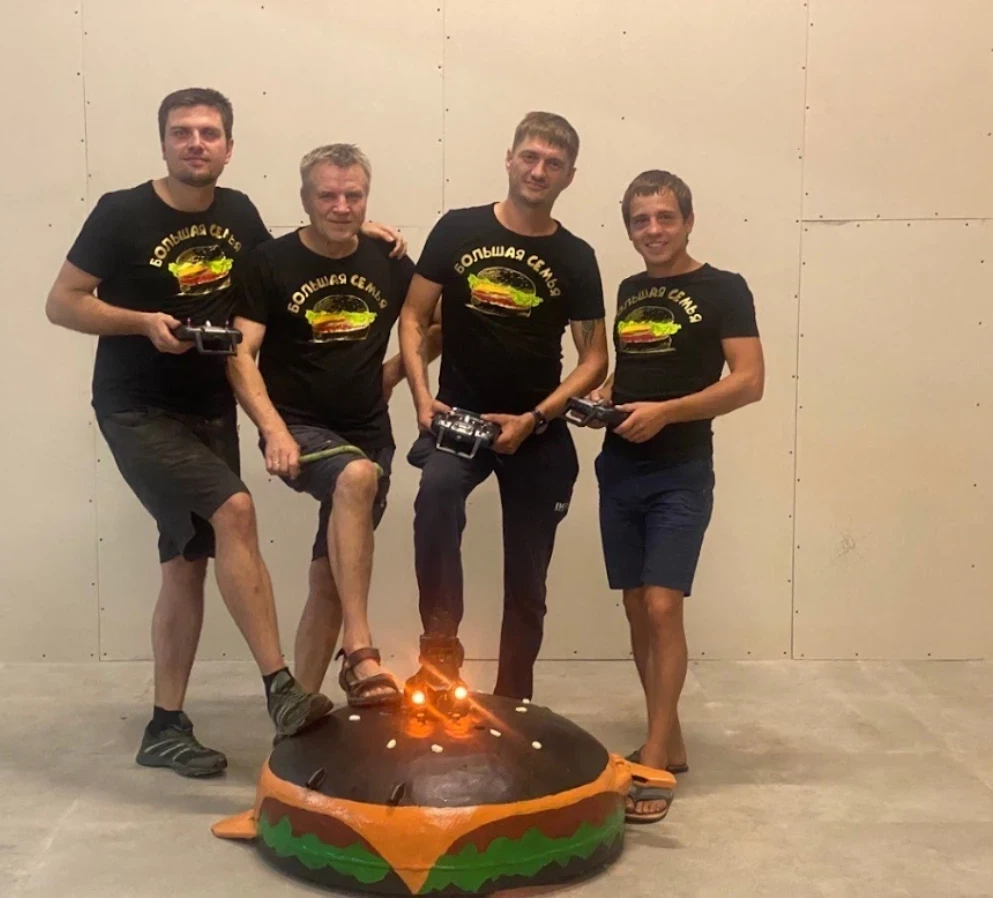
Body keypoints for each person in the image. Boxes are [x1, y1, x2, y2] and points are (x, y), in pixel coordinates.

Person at [44, 88, 405, 777]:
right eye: (182, 132)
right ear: (163, 142)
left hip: (210, 408)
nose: (196, 143)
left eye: (209, 133)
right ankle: (282, 690)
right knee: (235, 509)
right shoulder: (121, 212)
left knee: (187, 562)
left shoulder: (239, 214)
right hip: (137, 409)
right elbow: (61, 303)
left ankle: (165, 726)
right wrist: (140, 323)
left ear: (229, 147)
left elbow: (291, 262)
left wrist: (359, 234)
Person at [398, 111, 609, 702]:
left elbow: (595, 360)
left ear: (569, 177)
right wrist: (421, 396)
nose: (539, 171)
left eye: (553, 164)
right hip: (458, 419)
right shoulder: (458, 228)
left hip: (536, 431)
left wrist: (536, 418)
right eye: (531, 157)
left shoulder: (576, 255)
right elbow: (413, 315)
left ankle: (514, 698)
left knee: (528, 577)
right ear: (510, 159)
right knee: (436, 497)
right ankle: (440, 656)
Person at [228, 143, 441, 705]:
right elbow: (239, 354)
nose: (341, 206)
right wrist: (274, 430)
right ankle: (360, 650)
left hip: (369, 430)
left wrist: (393, 373)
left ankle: (298, 712)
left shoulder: (387, 261)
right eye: (327, 195)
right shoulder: (269, 263)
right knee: (356, 475)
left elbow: (433, 324)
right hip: (298, 427)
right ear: (305, 198)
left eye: (353, 195)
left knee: (329, 581)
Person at [593, 169, 764, 822]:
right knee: (638, 608)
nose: (654, 230)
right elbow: (635, 366)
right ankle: (670, 736)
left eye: (665, 217)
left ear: (688, 221)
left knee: (664, 605)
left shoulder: (724, 289)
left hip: (681, 472)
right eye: (641, 220)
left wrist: (667, 412)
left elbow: (749, 381)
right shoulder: (631, 290)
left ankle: (656, 758)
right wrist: (607, 393)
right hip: (620, 470)